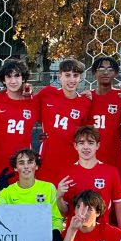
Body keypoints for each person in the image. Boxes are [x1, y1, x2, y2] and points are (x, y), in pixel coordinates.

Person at [0, 149, 63, 241]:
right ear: (15, 167)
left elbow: (56, 218)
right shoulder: (6, 192)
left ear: (36, 166)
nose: (26, 166)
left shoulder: (48, 188)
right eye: (21, 163)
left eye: (30, 162)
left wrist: (56, 231)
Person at [35, 59, 93, 187]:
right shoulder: (47, 93)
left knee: (69, 202)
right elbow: (28, 111)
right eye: (67, 75)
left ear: (80, 78)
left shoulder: (85, 103)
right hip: (47, 160)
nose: (72, 80)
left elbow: (86, 134)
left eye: (76, 75)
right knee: (46, 203)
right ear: (59, 76)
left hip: (72, 160)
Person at [57, 126, 121, 231]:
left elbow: (120, 206)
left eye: (90, 143)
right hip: (75, 236)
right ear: (75, 146)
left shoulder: (111, 172)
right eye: (81, 143)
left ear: (98, 145)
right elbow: (64, 212)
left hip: (102, 236)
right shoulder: (66, 174)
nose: (86, 147)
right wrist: (59, 197)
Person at [0, 59, 39, 180]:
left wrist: (46, 135)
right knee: (1, 197)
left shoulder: (34, 102)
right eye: (9, 77)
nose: (13, 81)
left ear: (23, 78)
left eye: (17, 76)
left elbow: (51, 119)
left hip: (24, 162)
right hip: (0, 161)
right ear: (3, 80)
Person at [88, 56, 121, 186]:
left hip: (113, 160)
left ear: (116, 73)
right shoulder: (86, 97)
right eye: (101, 68)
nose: (105, 72)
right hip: (88, 160)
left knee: (114, 202)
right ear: (94, 73)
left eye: (110, 69)